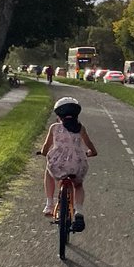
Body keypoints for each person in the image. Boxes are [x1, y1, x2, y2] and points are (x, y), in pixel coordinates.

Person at [38, 97, 96, 232]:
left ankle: (49, 204)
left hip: (58, 163)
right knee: (78, 185)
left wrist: (43, 152)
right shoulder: (81, 128)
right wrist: (92, 152)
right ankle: (79, 211)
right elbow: (89, 144)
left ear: (59, 115)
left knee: (48, 171)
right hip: (77, 164)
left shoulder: (54, 127)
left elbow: (46, 146)